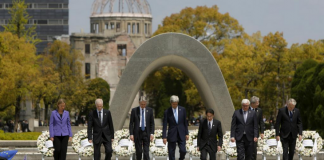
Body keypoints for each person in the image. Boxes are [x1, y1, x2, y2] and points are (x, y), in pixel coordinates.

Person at [162, 95, 189, 160]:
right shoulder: (167, 112)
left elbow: (185, 122)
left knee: (183, 150)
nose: (175, 105)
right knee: (171, 152)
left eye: (176, 104)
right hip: (172, 133)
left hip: (181, 133)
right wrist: (164, 136)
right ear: (171, 103)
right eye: (173, 104)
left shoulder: (182, 110)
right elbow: (165, 125)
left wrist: (187, 133)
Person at [250, 96, 265, 160]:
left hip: (255, 133)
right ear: (252, 103)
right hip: (247, 132)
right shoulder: (246, 110)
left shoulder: (259, 110)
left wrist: (262, 132)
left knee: (254, 149)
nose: (258, 104)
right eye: (257, 103)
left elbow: (261, 122)